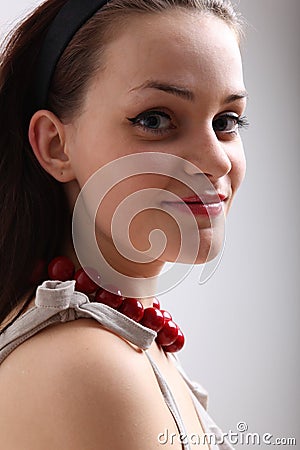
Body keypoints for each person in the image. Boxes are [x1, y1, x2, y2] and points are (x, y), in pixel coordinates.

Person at [0, 0, 248, 449]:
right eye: (155, 120)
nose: (216, 161)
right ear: (56, 145)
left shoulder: (121, 344)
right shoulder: (88, 369)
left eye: (227, 121)